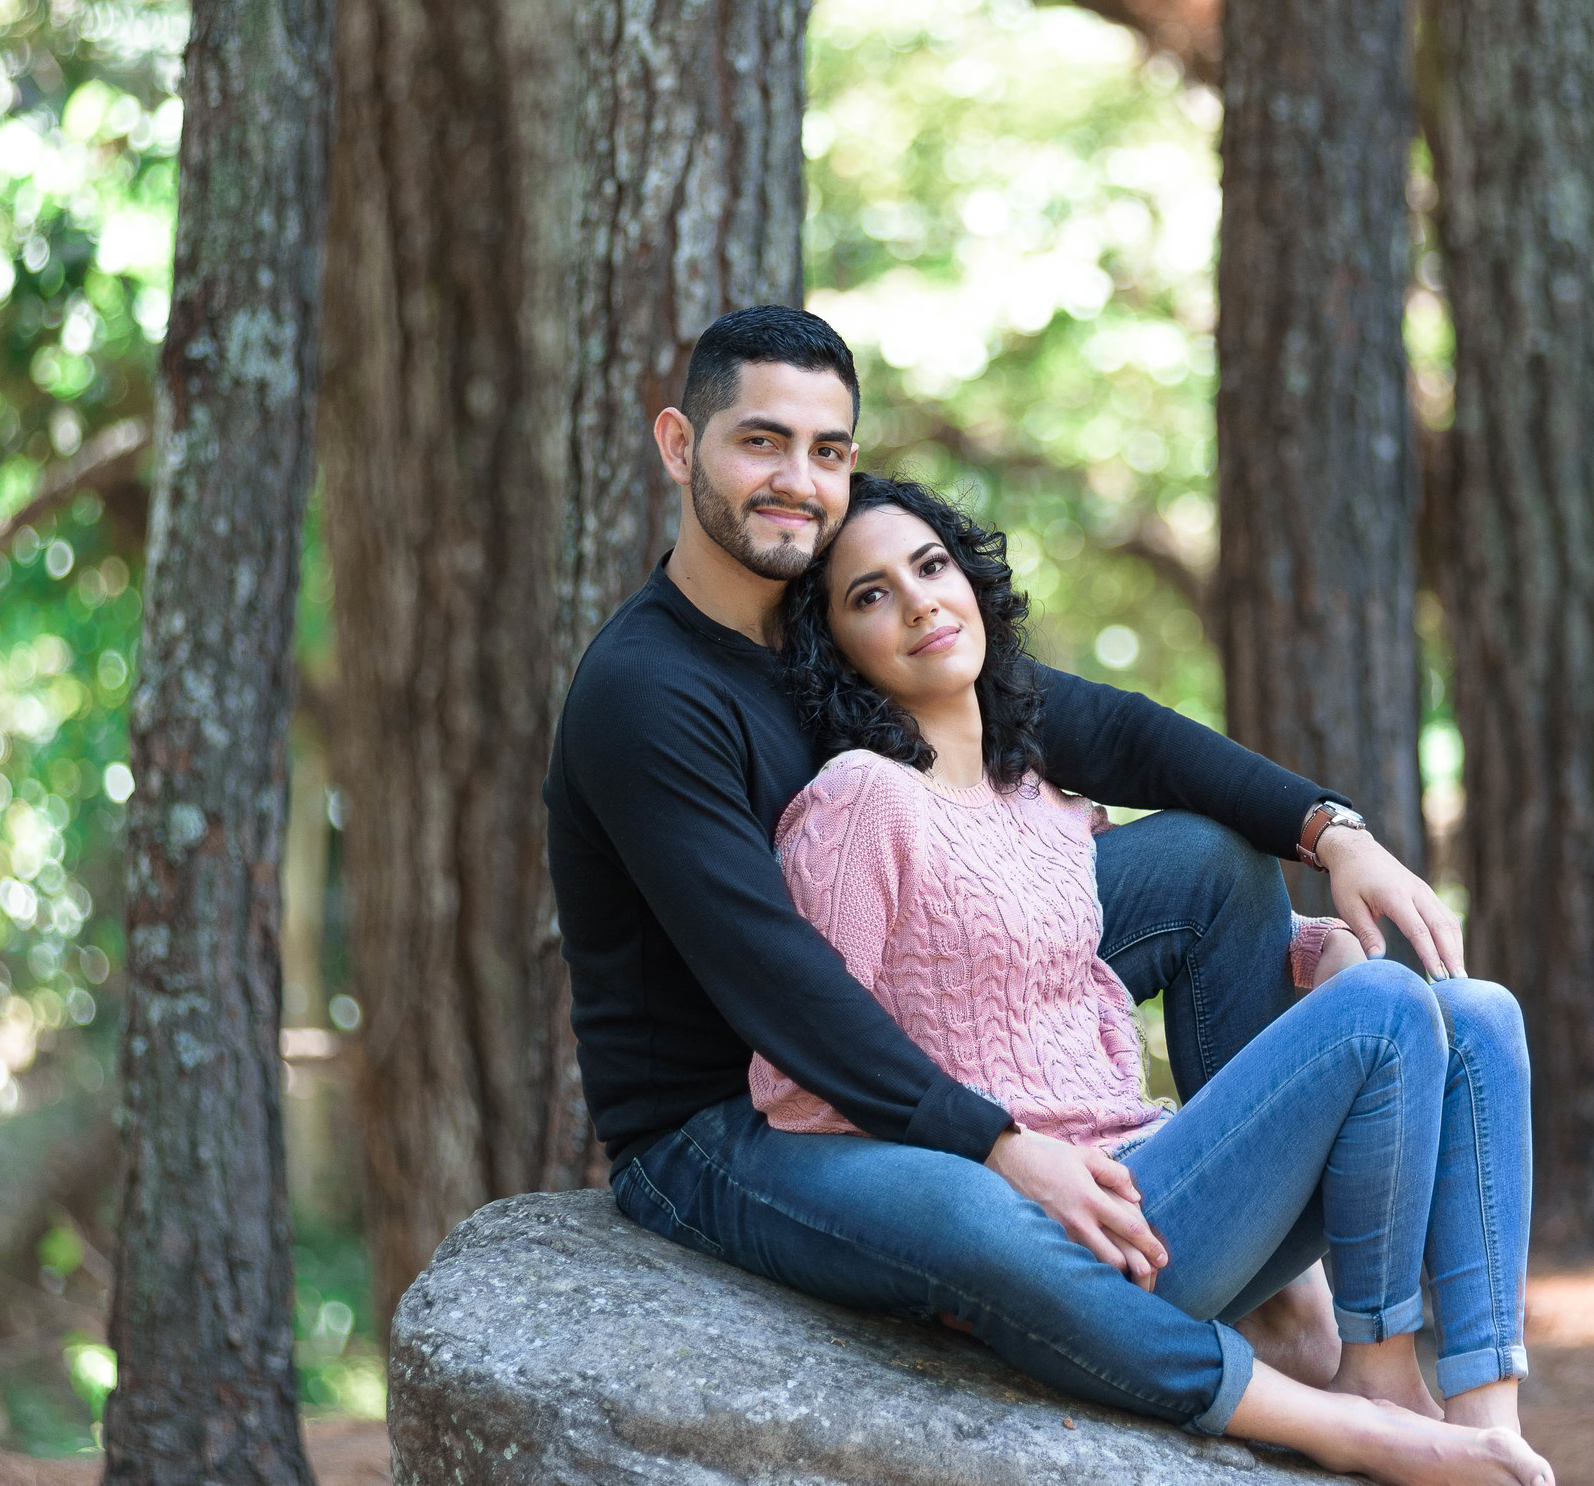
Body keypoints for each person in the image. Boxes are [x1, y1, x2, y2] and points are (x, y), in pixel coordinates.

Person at [542, 306, 1504, 1475]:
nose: (798, 480)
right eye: (762, 442)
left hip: (894, 1014)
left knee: (1207, 861)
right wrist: (999, 1142)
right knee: (974, 1219)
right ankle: (1320, 1416)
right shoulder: (647, 692)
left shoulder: (829, 618)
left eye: (828, 449)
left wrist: (1329, 827)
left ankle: (1273, 1270)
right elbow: (773, 981)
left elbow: (1113, 731)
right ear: (679, 444)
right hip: (725, 1119)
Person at [749, 472, 1545, 1484]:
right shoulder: (859, 801)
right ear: (838, 649)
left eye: (932, 564)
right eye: (870, 595)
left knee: (1477, 1013)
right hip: (1067, 1246)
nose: (918, 602)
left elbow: (1061, 965)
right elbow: (799, 1077)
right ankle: (1380, 1378)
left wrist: (1312, 953)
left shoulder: (1033, 797)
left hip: (1159, 1176)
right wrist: (995, 1158)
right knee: (1389, 1008)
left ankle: (1491, 1421)